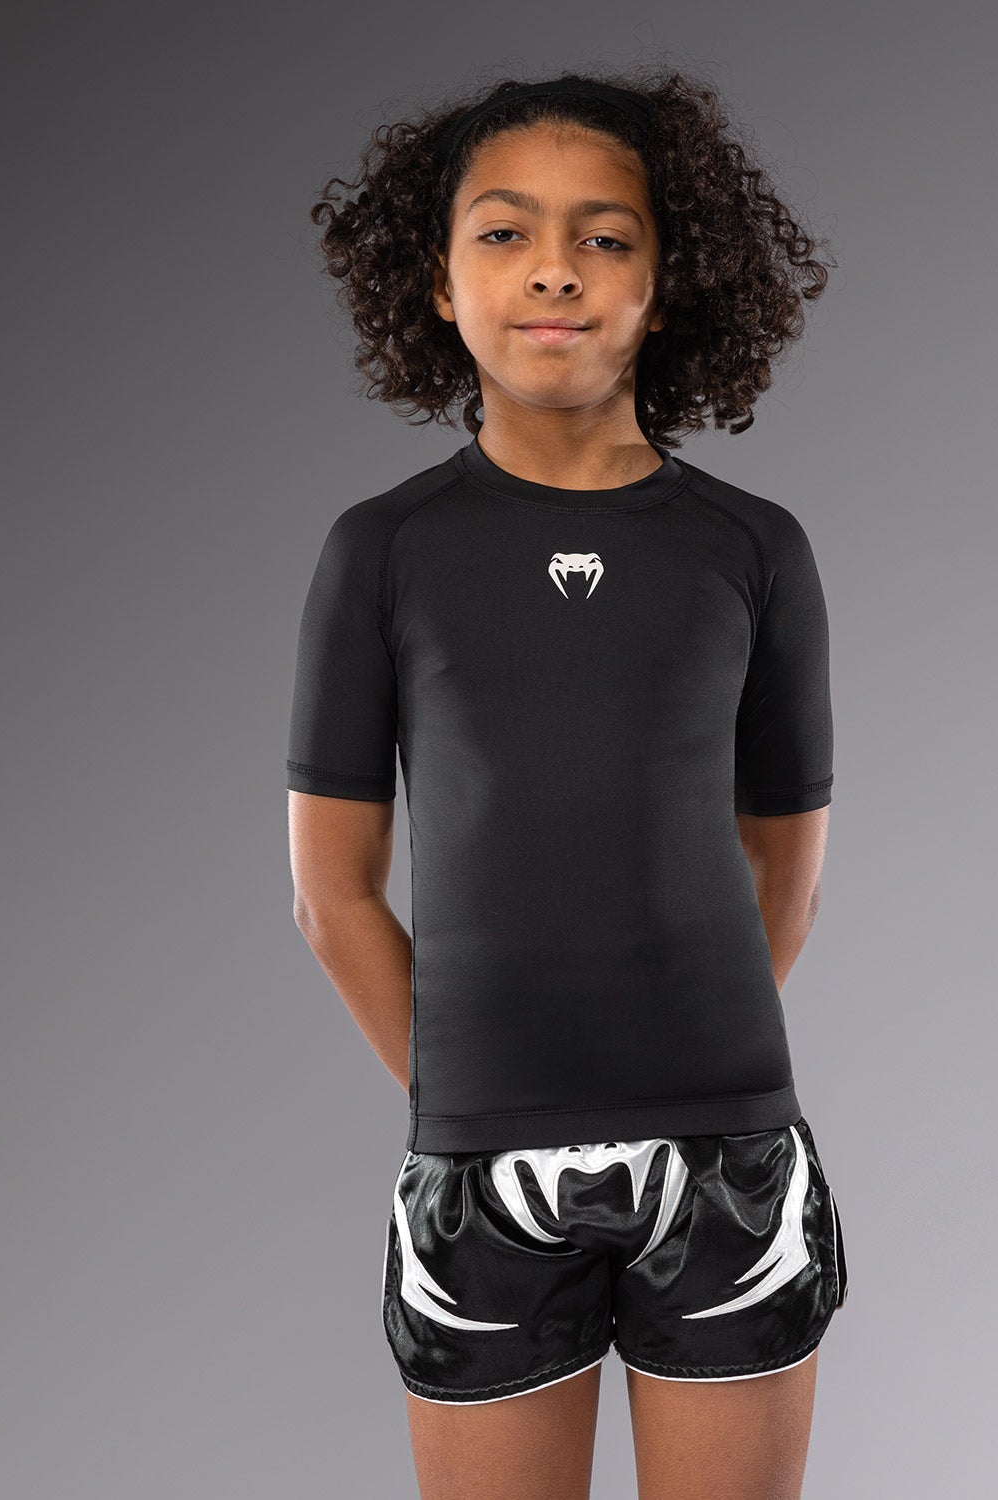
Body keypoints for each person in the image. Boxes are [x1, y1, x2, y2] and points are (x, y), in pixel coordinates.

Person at [287, 66, 848, 1500]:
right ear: (437, 282)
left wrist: (683, 1067)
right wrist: (475, 1097)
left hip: (727, 1160)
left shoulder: (754, 549)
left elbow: (782, 866)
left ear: (666, 282)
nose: (555, 269)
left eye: (605, 236)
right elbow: (333, 893)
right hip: (482, 1168)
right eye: (505, 233)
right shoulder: (384, 552)